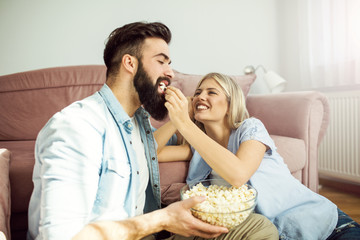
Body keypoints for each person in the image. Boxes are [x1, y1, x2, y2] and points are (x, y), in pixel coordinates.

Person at [27, 22, 277, 240]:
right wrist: (162, 220)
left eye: (170, 63)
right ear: (129, 63)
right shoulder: (78, 126)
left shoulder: (140, 123)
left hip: (149, 233)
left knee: (260, 228)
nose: (170, 72)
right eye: (161, 61)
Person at [156, 72, 360, 240]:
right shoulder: (198, 149)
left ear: (229, 103)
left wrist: (185, 124)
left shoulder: (251, 128)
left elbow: (238, 175)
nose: (200, 96)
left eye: (212, 92)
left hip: (325, 228)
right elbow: (152, 152)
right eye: (198, 92)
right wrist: (177, 118)